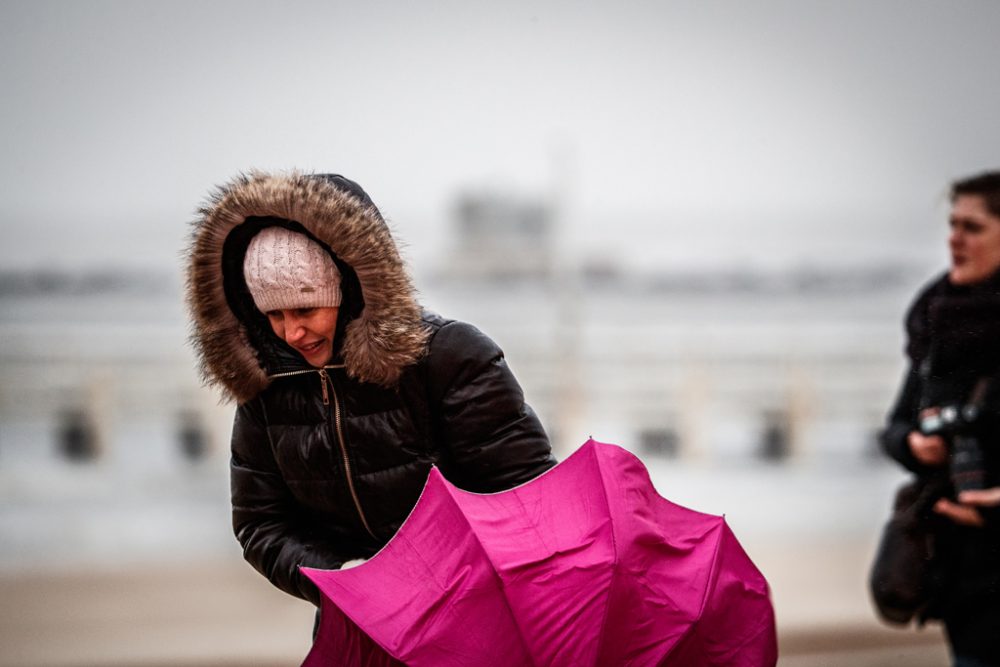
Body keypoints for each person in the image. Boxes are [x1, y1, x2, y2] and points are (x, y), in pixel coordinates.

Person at [185, 171, 556, 607]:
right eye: (274, 315)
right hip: (362, 616)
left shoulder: (450, 357)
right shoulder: (267, 386)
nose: (292, 332)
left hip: (477, 609)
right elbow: (260, 526)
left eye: (306, 308)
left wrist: (448, 579)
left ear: (351, 288)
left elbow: (527, 496)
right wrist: (343, 577)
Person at [880, 170, 1000, 666]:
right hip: (964, 579)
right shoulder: (938, 318)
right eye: (952, 225)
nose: (954, 239)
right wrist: (914, 444)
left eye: (972, 227)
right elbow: (893, 427)